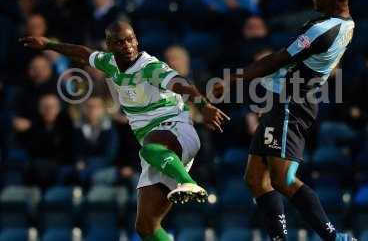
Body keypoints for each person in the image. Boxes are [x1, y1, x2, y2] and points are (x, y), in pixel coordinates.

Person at [20, 20, 229, 241]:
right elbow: (83, 53)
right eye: (120, 42)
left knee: (150, 148)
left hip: (177, 129)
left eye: (130, 39)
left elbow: (182, 84)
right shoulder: (110, 63)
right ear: (110, 46)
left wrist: (204, 106)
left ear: (137, 40)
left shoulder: (150, 67)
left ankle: (189, 183)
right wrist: (48, 45)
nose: (127, 46)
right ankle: (181, 179)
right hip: (159, 151)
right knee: (146, 226)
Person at [213, 0, 356, 241]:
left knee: (283, 179)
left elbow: (277, 59)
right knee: (255, 179)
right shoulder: (346, 24)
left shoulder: (324, 30)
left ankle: (335, 237)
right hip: (283, 102)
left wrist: (231, 80)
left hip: (293, 104)